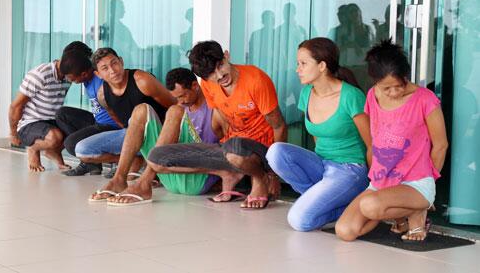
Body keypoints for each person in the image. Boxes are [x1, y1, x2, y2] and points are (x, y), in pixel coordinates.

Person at [146, 40, 287, 209]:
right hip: (230, 149)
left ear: (226, 56)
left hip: (259, 150)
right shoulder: (207, 84)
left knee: (235, 150)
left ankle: (260, 178)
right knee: (156, 157)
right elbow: (223, 118)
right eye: (211, 74)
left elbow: (279, 126)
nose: (219, 76)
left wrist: (273, 173)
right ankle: (228, 172)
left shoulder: (256, 80)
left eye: (220, 65)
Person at [335, 40, 448, 242]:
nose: (394, 92)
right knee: (345, 231)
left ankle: (419, 208)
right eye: (387, 88)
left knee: (370, 205)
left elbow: (441, 145)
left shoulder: (425, 99)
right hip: (382, 182)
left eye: (399, 86)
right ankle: (402, 216)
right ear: (375, 81)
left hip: (416, 182)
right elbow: (376, 142)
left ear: (405, 76)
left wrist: (430, 182)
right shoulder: (372, 96)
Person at [95, 68, 244, 204]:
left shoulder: (215, 108)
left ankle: (144, 182)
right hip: (170, 178)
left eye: (183, 96)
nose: (181, 101)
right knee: (141, 110)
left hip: (197, 181)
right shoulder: (182, 106)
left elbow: (231, 151)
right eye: (176, 97)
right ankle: (119, 178)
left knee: (174, 111)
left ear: (194, 86)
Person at [266, 37, 371, 231]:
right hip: (323, 165)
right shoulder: (306, 94)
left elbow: (371, 144)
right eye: (298, 64)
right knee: (275, 151)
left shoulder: (351, 96)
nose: (298, 69)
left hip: (350, 170)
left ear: (322, 65)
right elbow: (318, 137)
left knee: (299, 220)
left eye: (303, 64)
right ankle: (328, 201)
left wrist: (376, 185)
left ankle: (348, 208)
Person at [75, 47, 176, 181]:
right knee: (82, 150)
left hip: (159, 134)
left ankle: (139, 165)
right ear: (98, 74)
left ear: (121, 62)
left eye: (114, 63)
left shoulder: (142, 80)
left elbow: (175, 107)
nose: (112, 70)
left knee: (140, 111)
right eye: (105, 68)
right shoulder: (102, 95)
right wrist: (132, 140)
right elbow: (117, 119)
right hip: (132, 134)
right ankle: (136, 157)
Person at [8, 41, 89, 172]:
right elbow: (16, 106)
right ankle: (34, 148)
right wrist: (13, 134)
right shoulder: (40, 74)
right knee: (55, 136)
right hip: (30, 123)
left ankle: (53, 151)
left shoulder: (70, 76)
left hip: (52, 120)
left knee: (76, 133)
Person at [55, 48, 120, 176]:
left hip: (112, 126)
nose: (70, 81)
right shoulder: (87, 79)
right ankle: (91, 164)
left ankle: (119, 161)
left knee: (71, 144)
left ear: (84, 74)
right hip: (98, 122)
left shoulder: (101, 80)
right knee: (62, 114)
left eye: (72, 79)